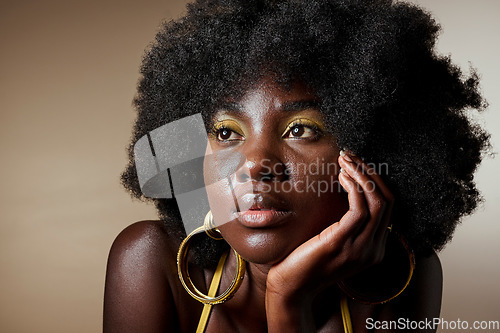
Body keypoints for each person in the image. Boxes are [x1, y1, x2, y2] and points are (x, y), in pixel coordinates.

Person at [104, 0, 490, 332]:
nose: (255, 164)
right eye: (226, 132)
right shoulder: (150, 261)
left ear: (370, 148)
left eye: (301, 129)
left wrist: (288, 300)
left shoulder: (402, 279)